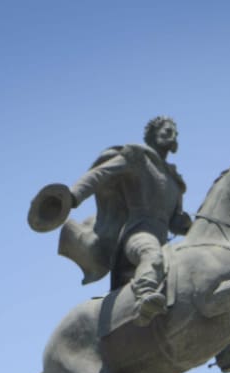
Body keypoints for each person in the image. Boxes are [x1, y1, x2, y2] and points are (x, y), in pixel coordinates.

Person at [55, 116, 192, 325]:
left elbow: (174, 221)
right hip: (137, 234)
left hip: (165, 243)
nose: (172, 136)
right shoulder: (136, 157)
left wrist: (191, 225)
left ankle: (225, 351)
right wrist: (71, 196)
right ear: (153, 135)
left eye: (175, 133)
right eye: (166, 131)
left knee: (197, 273)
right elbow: (99, 175)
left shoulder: (174, 180)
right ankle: (145, 297)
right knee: (151, 255)